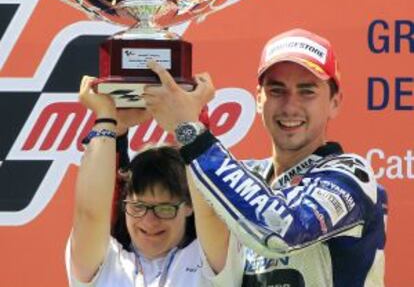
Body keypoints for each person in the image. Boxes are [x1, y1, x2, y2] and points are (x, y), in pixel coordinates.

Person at [143, 28, 388, 287]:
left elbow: (281, 229)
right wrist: (115, 126)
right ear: (259, 98)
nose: (290, 106)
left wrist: (191, 132)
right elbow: (210, 254)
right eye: (277, 90)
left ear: (335, 102)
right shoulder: (246, 177)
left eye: (307, 91)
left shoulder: (352, 177)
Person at [65, 77, 227, 287]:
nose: (150, 222)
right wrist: (108, 119)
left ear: (188, 206)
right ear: (124, 205)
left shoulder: (207, 259)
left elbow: (210, 209)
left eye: (164, 209)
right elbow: (90, 214)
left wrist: (190, 119)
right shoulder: (106, 260)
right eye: (139, 207)